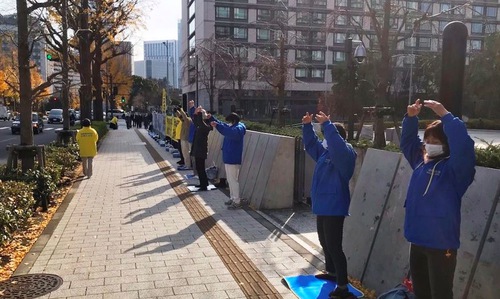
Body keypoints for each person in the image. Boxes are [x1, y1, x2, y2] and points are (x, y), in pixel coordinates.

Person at [400, 99, 475, 299]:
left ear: (447, 145)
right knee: (421, 293)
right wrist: (410, 118)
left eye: (436, 142)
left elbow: (464, 147)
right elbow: (407, 142)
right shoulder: (421, 162)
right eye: (428, 141)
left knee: (440, 294)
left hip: (441, 245)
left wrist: (446, 115)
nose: (430, 146)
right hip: (417, 240)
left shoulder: (455, 171)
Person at [302, 111, 357, 299]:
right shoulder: (324, 154)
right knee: (325, 242)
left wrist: (327, 125)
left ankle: (342, 286)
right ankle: (332, 272)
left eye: (328, 136)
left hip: (335, 206)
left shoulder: (346, 154)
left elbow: (338, 147)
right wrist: (308, 126)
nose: (325, 140)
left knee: (335, 246)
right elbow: (311, 144)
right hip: (322, 205)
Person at [209, 112, 246, 209]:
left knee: (233, 180)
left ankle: (237, 201)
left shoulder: (238, 129)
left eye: (229, 122)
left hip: (233, 158)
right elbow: (223, 125)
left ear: (233, 121)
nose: (228, 123)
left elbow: (227, 130)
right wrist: (212, 119)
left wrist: (217, 125)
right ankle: (233, 198)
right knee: (230, 180)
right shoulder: (234, 126)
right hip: (229, 157)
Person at [190, 106, 213, 191]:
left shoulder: (205, 126)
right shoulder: (201, 125)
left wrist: (199, 112)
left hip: (201, 150)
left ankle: (204, 185)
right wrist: (195, 114)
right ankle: (203, 183)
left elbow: (199, 122)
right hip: (198, 149)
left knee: (201, 168)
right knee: (199, 168)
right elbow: (196, 122)